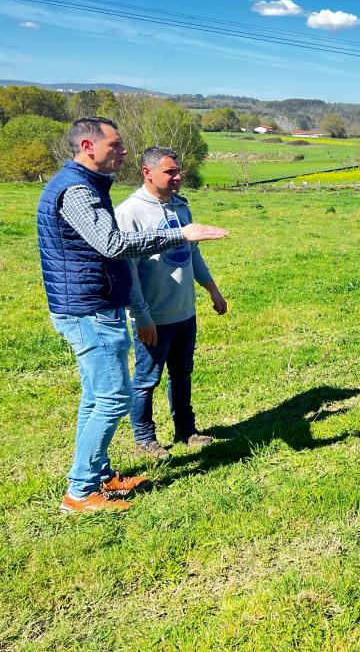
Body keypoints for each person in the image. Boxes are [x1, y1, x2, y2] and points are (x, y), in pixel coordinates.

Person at [37, 117, 228, 514]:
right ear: (89, 146)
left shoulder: (86, 186)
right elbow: (112, 243)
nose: (123, 151)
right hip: (88, 310)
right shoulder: (76, 189)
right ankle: (80, 492)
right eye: (116, 145)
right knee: (112, 398)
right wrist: (180, 234)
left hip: (94, 306)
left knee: (96, 397)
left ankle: (100, 476)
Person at [115, 147, 228, 460]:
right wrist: (141, 315)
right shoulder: (130, 212)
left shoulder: (181, 207)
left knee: (182, 373)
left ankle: (186, 430)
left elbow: (193, 254)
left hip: (184, 311)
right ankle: (144, 437)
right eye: (170, 172)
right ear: (147, 172)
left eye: (178, 171)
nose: (178, 177)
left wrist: (212, 290)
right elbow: (129, 270)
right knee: (146, 380)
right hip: (153, 316)